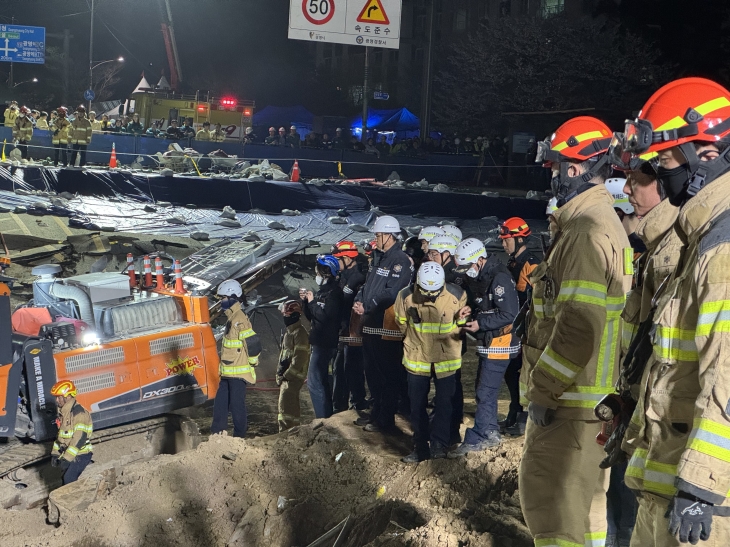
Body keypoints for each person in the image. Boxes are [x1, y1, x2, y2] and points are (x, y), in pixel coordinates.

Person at [616, 77, 730, 546]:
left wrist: (701, 485)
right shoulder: (701, 238)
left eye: (664, 161)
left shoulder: (722, 250)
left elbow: (727, 374)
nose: (659, 176)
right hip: (668, 482)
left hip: (703, 504)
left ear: (708, 154)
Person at [519, 117, 631, 547]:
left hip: (568, 406)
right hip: (590, 406)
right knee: (586, 516)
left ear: (575, 167)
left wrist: (544, 391)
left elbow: (578, 326)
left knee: (554, 515)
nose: (552, 175)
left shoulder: (584, 233)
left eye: (555, 166)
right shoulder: (602, 223)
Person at [447, 238, 520, 457]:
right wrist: (471, 310)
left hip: (500, 343)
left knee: (485, 391)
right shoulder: (486, 275)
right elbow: (488, 305)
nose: (467, 272)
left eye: (468, 266)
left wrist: (480, 324)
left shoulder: (499, 278)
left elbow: (509, 314)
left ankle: (484, 435)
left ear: (480, 259)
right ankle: (488, 431)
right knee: (484, 389)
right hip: (491, 342)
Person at [395, 262, 469, 463]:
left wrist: (461, 320)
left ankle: (439, 445)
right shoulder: (405, 296)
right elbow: (401, 323)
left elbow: (461, 325)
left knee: (445, 404)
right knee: (416, 406)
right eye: (425, 292)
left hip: (446, 359)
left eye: (434, 292)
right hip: (417, 358)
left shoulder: (457, 295)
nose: (429, 296)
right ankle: (420, 447)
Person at [354, 216, 413, 433]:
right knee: (373, 375)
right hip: (370, 325)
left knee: (388, 376)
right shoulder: (379, 258)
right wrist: (359, 300)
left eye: (379, 235)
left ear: (390, 235)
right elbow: (368, 285)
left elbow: (392, 292)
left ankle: (385, 419)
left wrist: (368, 305)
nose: (376, 239)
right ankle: (376, 413)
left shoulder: (400, 261)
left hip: (386, 328)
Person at [497, 217, 541, 436]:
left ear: (519, 239)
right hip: (514, 327)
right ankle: (514, 411)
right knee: (511, 372)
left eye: (506, 239)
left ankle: (522, 417)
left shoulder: (531, 264)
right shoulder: (513, 262)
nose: (503, 244)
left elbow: (535, 300)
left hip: (526, 330)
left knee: (522, 372)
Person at [211, 279, 261, 438]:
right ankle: (217, 436)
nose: (221, 301)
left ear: (233, 297)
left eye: (223, 298)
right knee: (220, 405)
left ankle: (239, 437)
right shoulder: (232, 317)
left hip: (237, 374)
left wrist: (252, 363)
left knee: (236, 405)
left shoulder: (239, 319)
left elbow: (253, 343)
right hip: (227, 372)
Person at [300, 255, 343, 419]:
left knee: (314, 382)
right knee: (321, 381)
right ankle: (326, 417)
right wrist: (306, 302)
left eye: (317, 272)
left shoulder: (335, 293)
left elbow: (326, 318)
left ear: (326, 272)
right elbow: (313, 317)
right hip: (319, 342)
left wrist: (312, 303)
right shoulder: (323, 291)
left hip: (325, 344)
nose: (315, 275)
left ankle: (323, 418)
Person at [331, 241, 368, 413]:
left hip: (354, 333)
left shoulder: (359, 278)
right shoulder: (342, 276)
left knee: (352, 369)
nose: (335, 263)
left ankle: (357, 403)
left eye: (337, 259)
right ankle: (340, 407)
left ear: (347, 258)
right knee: (340, 369)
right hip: (343, 330)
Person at [49, 380, 93, 485]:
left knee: (69, 479)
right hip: (69, 453)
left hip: (81, 453)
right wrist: (55, 453)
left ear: (68, 396)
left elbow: (79, 438)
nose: (56, 400)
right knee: (64, 478)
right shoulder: (64, 413)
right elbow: (61, 437)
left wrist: (67, 458)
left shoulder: (79, 414)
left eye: (59, 397)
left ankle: (76, 495)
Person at [276, 300, 310, 432]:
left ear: (295, 315)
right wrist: (279, 373)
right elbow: (284, 356)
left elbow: (299, 358)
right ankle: (293, 430)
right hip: (288, 375)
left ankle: (286, 432)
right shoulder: (289, 332)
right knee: (289, 405)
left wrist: (287, 375)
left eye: (286, 315)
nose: (285, 318)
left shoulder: (300, 333)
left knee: (286, 405)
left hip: (294, 376)